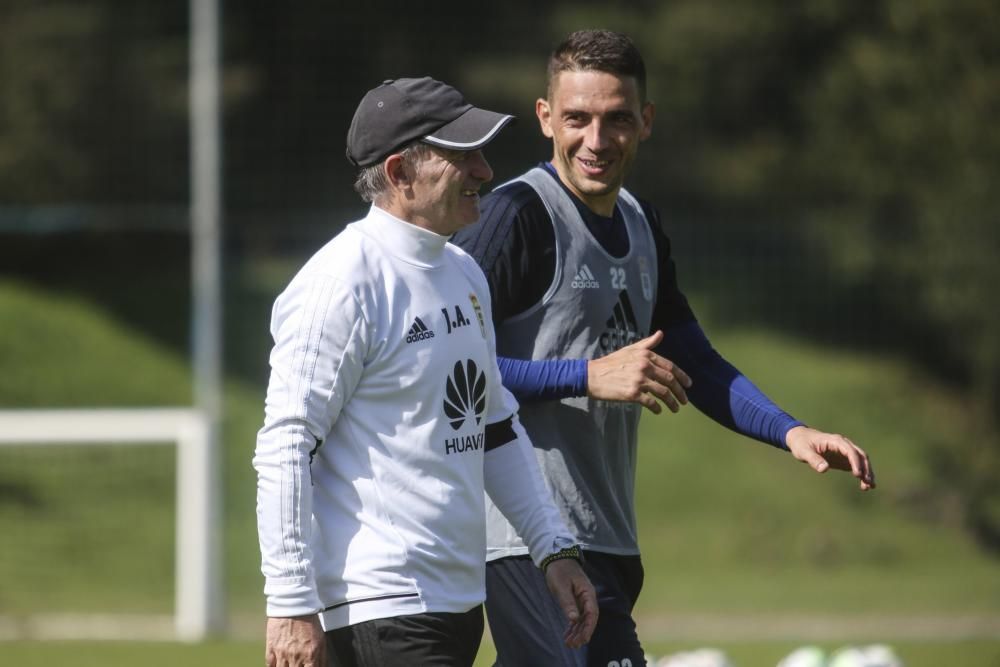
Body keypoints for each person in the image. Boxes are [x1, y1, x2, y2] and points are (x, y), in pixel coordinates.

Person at [451, 30, 877, 667]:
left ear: (645, 122)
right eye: (577, 119)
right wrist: (585, 376)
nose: (596, 141)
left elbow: (696, 363)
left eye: (617, 119)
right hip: (527, 535)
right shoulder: (516, 216)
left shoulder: (643, 224)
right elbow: (449, 370)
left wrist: (790, 432)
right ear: (546, 119)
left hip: (608, 537)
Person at [254, 76, 598, 667]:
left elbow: (493, 426)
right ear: (398, 174)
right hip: (378, 605)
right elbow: (286, 443)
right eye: (463, 156)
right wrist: (290, 601)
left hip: (458, 604)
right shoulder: (340, 283)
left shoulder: (463, 274)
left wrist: (552, 548)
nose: (485, 171)